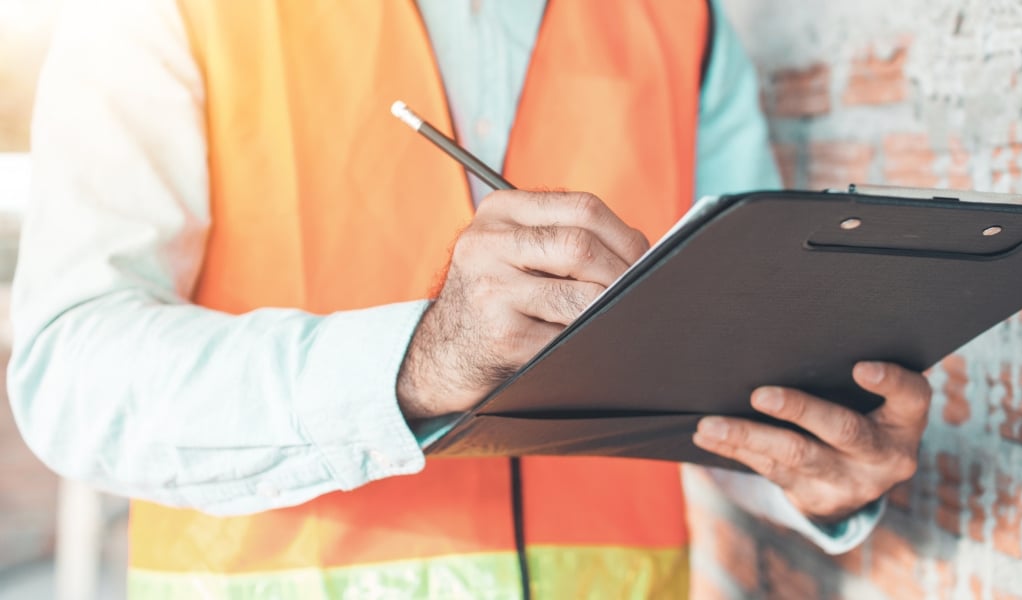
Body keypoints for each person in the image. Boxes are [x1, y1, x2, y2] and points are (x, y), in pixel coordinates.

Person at [9, 1, 932, 597]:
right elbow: (69, 375)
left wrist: (818, 469)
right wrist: (419, 361)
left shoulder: (683, 22)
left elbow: (735, 365)